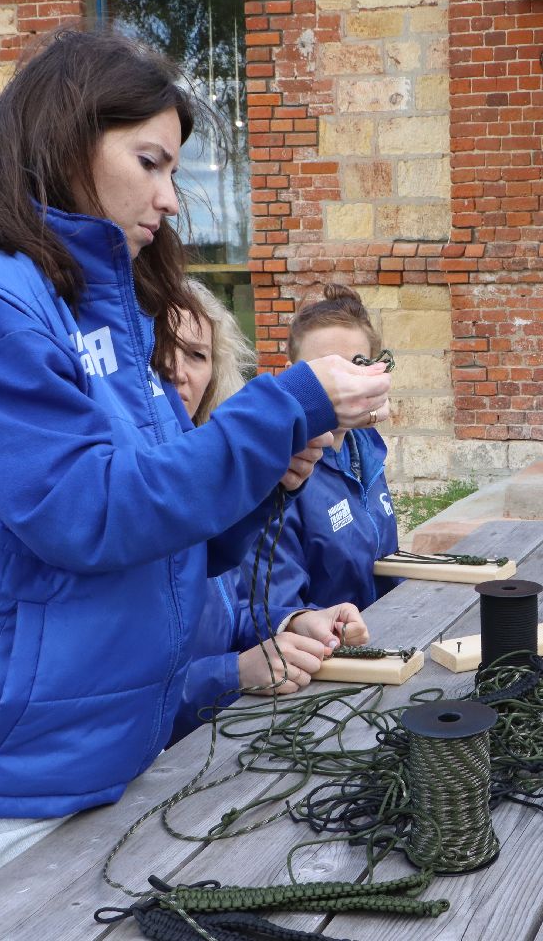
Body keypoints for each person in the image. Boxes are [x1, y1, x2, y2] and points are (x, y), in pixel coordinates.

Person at [0, 28, 390, 917]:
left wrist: (266, 478)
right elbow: (88, 515)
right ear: (68, 143)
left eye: (175, 170)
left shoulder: (106, 307)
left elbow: (162, 523)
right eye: (150, 162)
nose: (170, 198)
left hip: (104, 740)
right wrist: (285, 404)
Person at [161, 280, 371, 743]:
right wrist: (234, 672)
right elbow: (108, 694)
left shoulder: (365, 449)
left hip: (219, 733)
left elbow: (221, 617)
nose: (177, 371)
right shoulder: (129, 488)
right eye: (160, 350)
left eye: (196, 355)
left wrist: (295, 621)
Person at [252, 285, 402, 616]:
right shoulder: (283, 473)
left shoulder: (366, 450)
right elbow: (278, 614)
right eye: (322, 371)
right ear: (290, 375)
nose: (340, 384)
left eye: (355, 366)